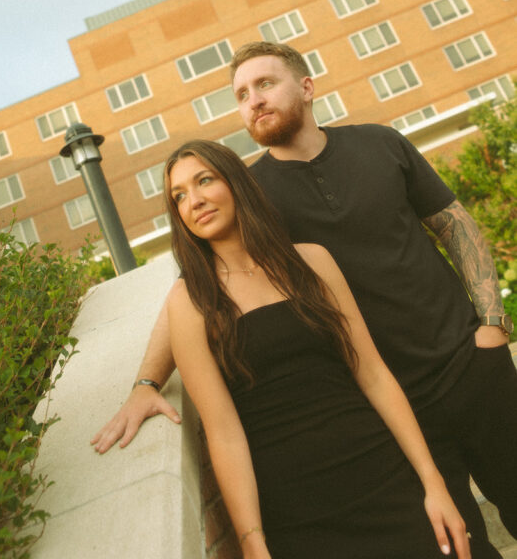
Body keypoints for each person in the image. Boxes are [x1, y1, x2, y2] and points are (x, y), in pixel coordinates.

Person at [91, 41, 517, 558]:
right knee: (461, 544)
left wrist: (492, 325)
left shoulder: (381, 142)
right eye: (242, 94)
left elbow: (454, 225)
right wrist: (145, 381)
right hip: (395, 403)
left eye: (265, 84)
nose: (254, 101)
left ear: (307, 86)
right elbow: (195, 293)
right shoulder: (250, 195)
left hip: (472, 365)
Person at [163, 139, 470, 559]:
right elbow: (224, 432)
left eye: (204, 181)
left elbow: (374, 375)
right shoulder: (190, 301)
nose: (193, 200)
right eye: (179, 196)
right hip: (297, 512)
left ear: (236, 183)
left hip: (382, 474)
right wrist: (253, 541)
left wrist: (433, 484)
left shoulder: (312, 261)